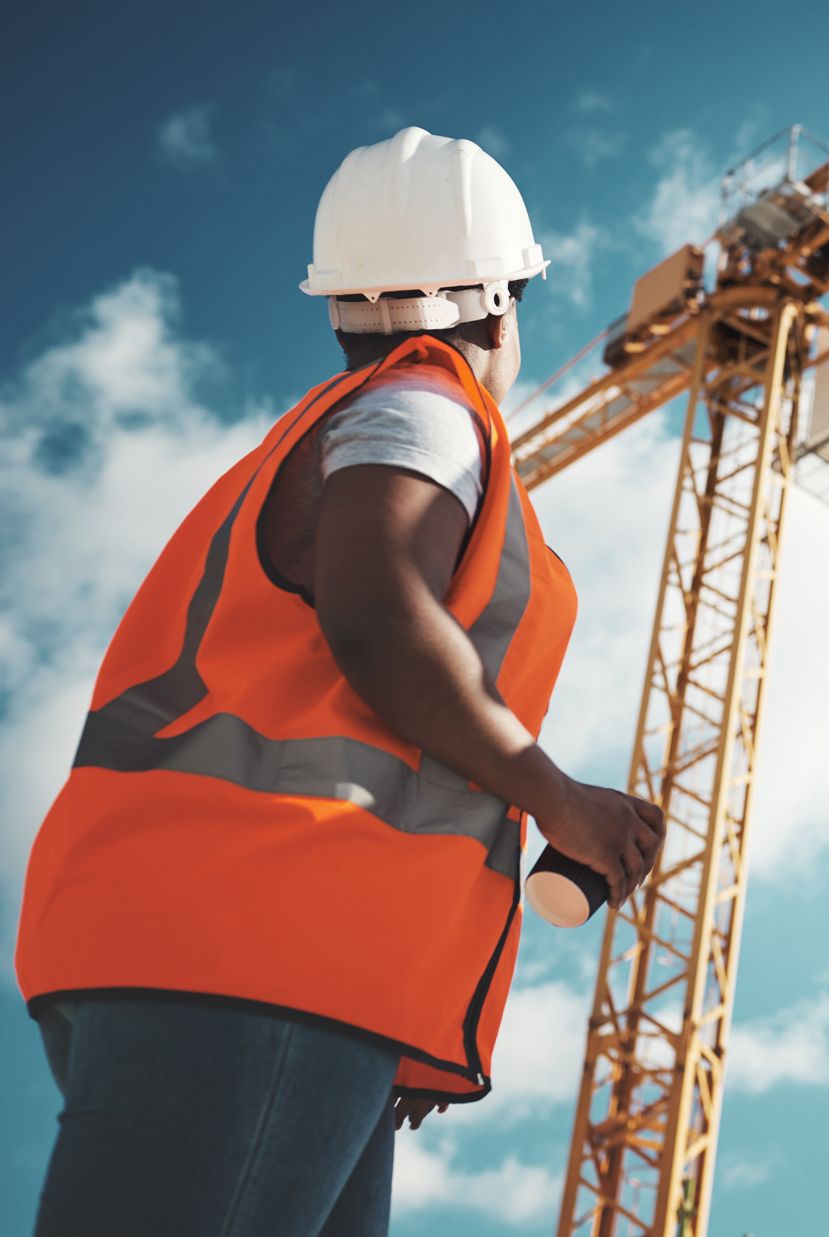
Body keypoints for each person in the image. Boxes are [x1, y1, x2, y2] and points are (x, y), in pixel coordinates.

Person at [13, 127, 664, 1236]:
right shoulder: (428, 409)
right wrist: (559, 799)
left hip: (252, 960)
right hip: (267, 955)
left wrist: (393, 1009)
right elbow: (381, 626)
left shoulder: (344, 424)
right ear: (501, 302)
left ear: (339, 311)